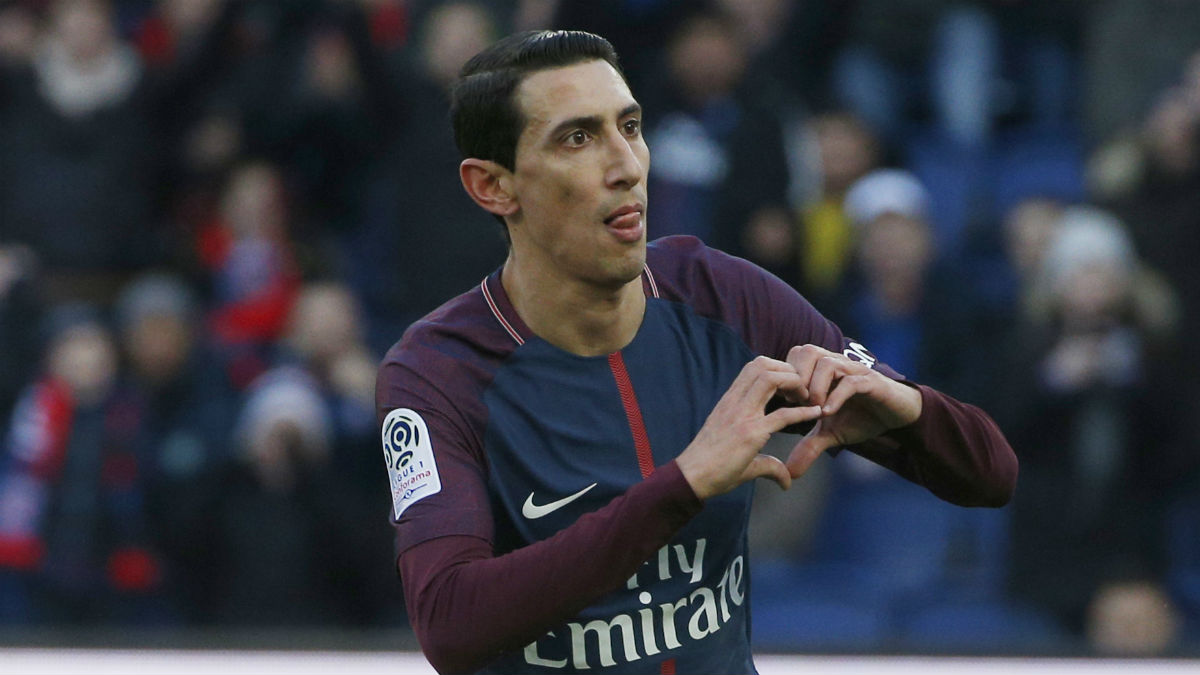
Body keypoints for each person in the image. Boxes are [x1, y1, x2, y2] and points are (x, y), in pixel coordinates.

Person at [374, 30, 1017, 674]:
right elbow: (451, 623)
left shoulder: (726, 297)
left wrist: (910, 411)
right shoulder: (439, 373)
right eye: (578, 138)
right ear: (493, 186)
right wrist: (684, 485)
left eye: (630, 126)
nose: (625, 165)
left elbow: (991, 475)